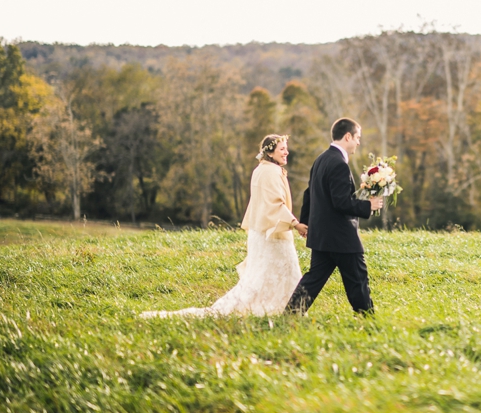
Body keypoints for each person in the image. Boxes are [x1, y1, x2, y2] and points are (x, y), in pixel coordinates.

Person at [141, 134, 307, 318]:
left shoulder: (260, 169)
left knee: (262, 274)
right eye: (282, 149)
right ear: (271, 151)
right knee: (287, 271)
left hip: (261, 234)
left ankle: (284, 309)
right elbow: (274, 204)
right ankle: (289, 311)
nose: (287, 152)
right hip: (273, 236)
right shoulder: (270, 172)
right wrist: (295, 224)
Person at [285, 118, 382, 315]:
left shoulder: (321, 159)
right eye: (357, 138)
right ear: (348, 136)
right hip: (340, 236)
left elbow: (308, 193)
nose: (358, 142)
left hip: (322, 235)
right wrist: (368, 206)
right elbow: (341, 203)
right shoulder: (339, 164)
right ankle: (368, 318)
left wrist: (306, 222)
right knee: (357, 279)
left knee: (314, 278)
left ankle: (290, 313)